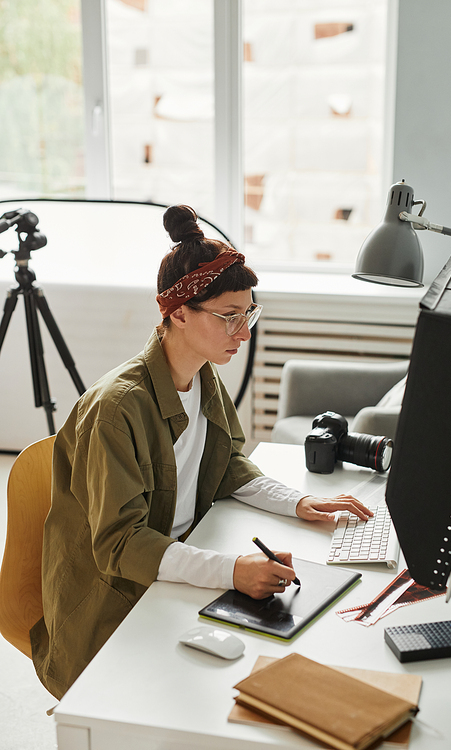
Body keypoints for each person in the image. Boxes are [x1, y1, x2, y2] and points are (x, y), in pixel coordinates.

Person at [30, 205, 372, 699]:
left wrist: (297, 502)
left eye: (248, 313)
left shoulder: (200, 376)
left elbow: (227, 462)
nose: (245, 333)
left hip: (174, 565)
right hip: (116, 603)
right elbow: (121, 546)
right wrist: (231, 570)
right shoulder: (117, 410)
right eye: (230, 317)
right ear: (177, 313)